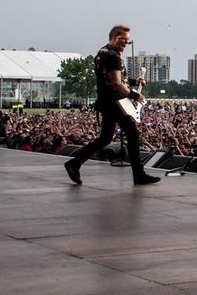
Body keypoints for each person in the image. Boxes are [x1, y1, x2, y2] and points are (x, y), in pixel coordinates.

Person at [63, 25, 159, 187]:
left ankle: (75, 163)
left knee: (105, 138)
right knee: (132, 134)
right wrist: (136, 95)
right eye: (122, 39)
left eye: (127, 41)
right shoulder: (113, 57)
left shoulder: (102, 52)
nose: (125, 43)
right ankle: (139, 175)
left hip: (106, 101)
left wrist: (134, 81)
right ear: (112, 38)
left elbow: (113, 77)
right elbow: (116, 84)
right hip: (115, 103)